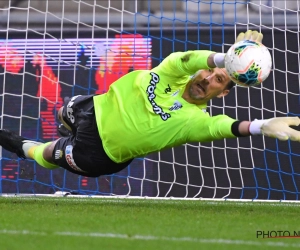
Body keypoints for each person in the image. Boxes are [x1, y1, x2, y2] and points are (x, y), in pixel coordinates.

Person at [1, 30, 300, 178]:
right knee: (63, 111)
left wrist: (262, 126)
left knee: (46, 153)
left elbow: (222, 127)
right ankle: (68, 119)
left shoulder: (193, 121)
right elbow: (192, 59)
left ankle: (14, 143)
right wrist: (229, 58)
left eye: (219, 80)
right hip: (91, 108)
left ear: (222, 94)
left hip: (98, 153)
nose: (208, 78)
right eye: (210, 72)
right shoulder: (174, 69)